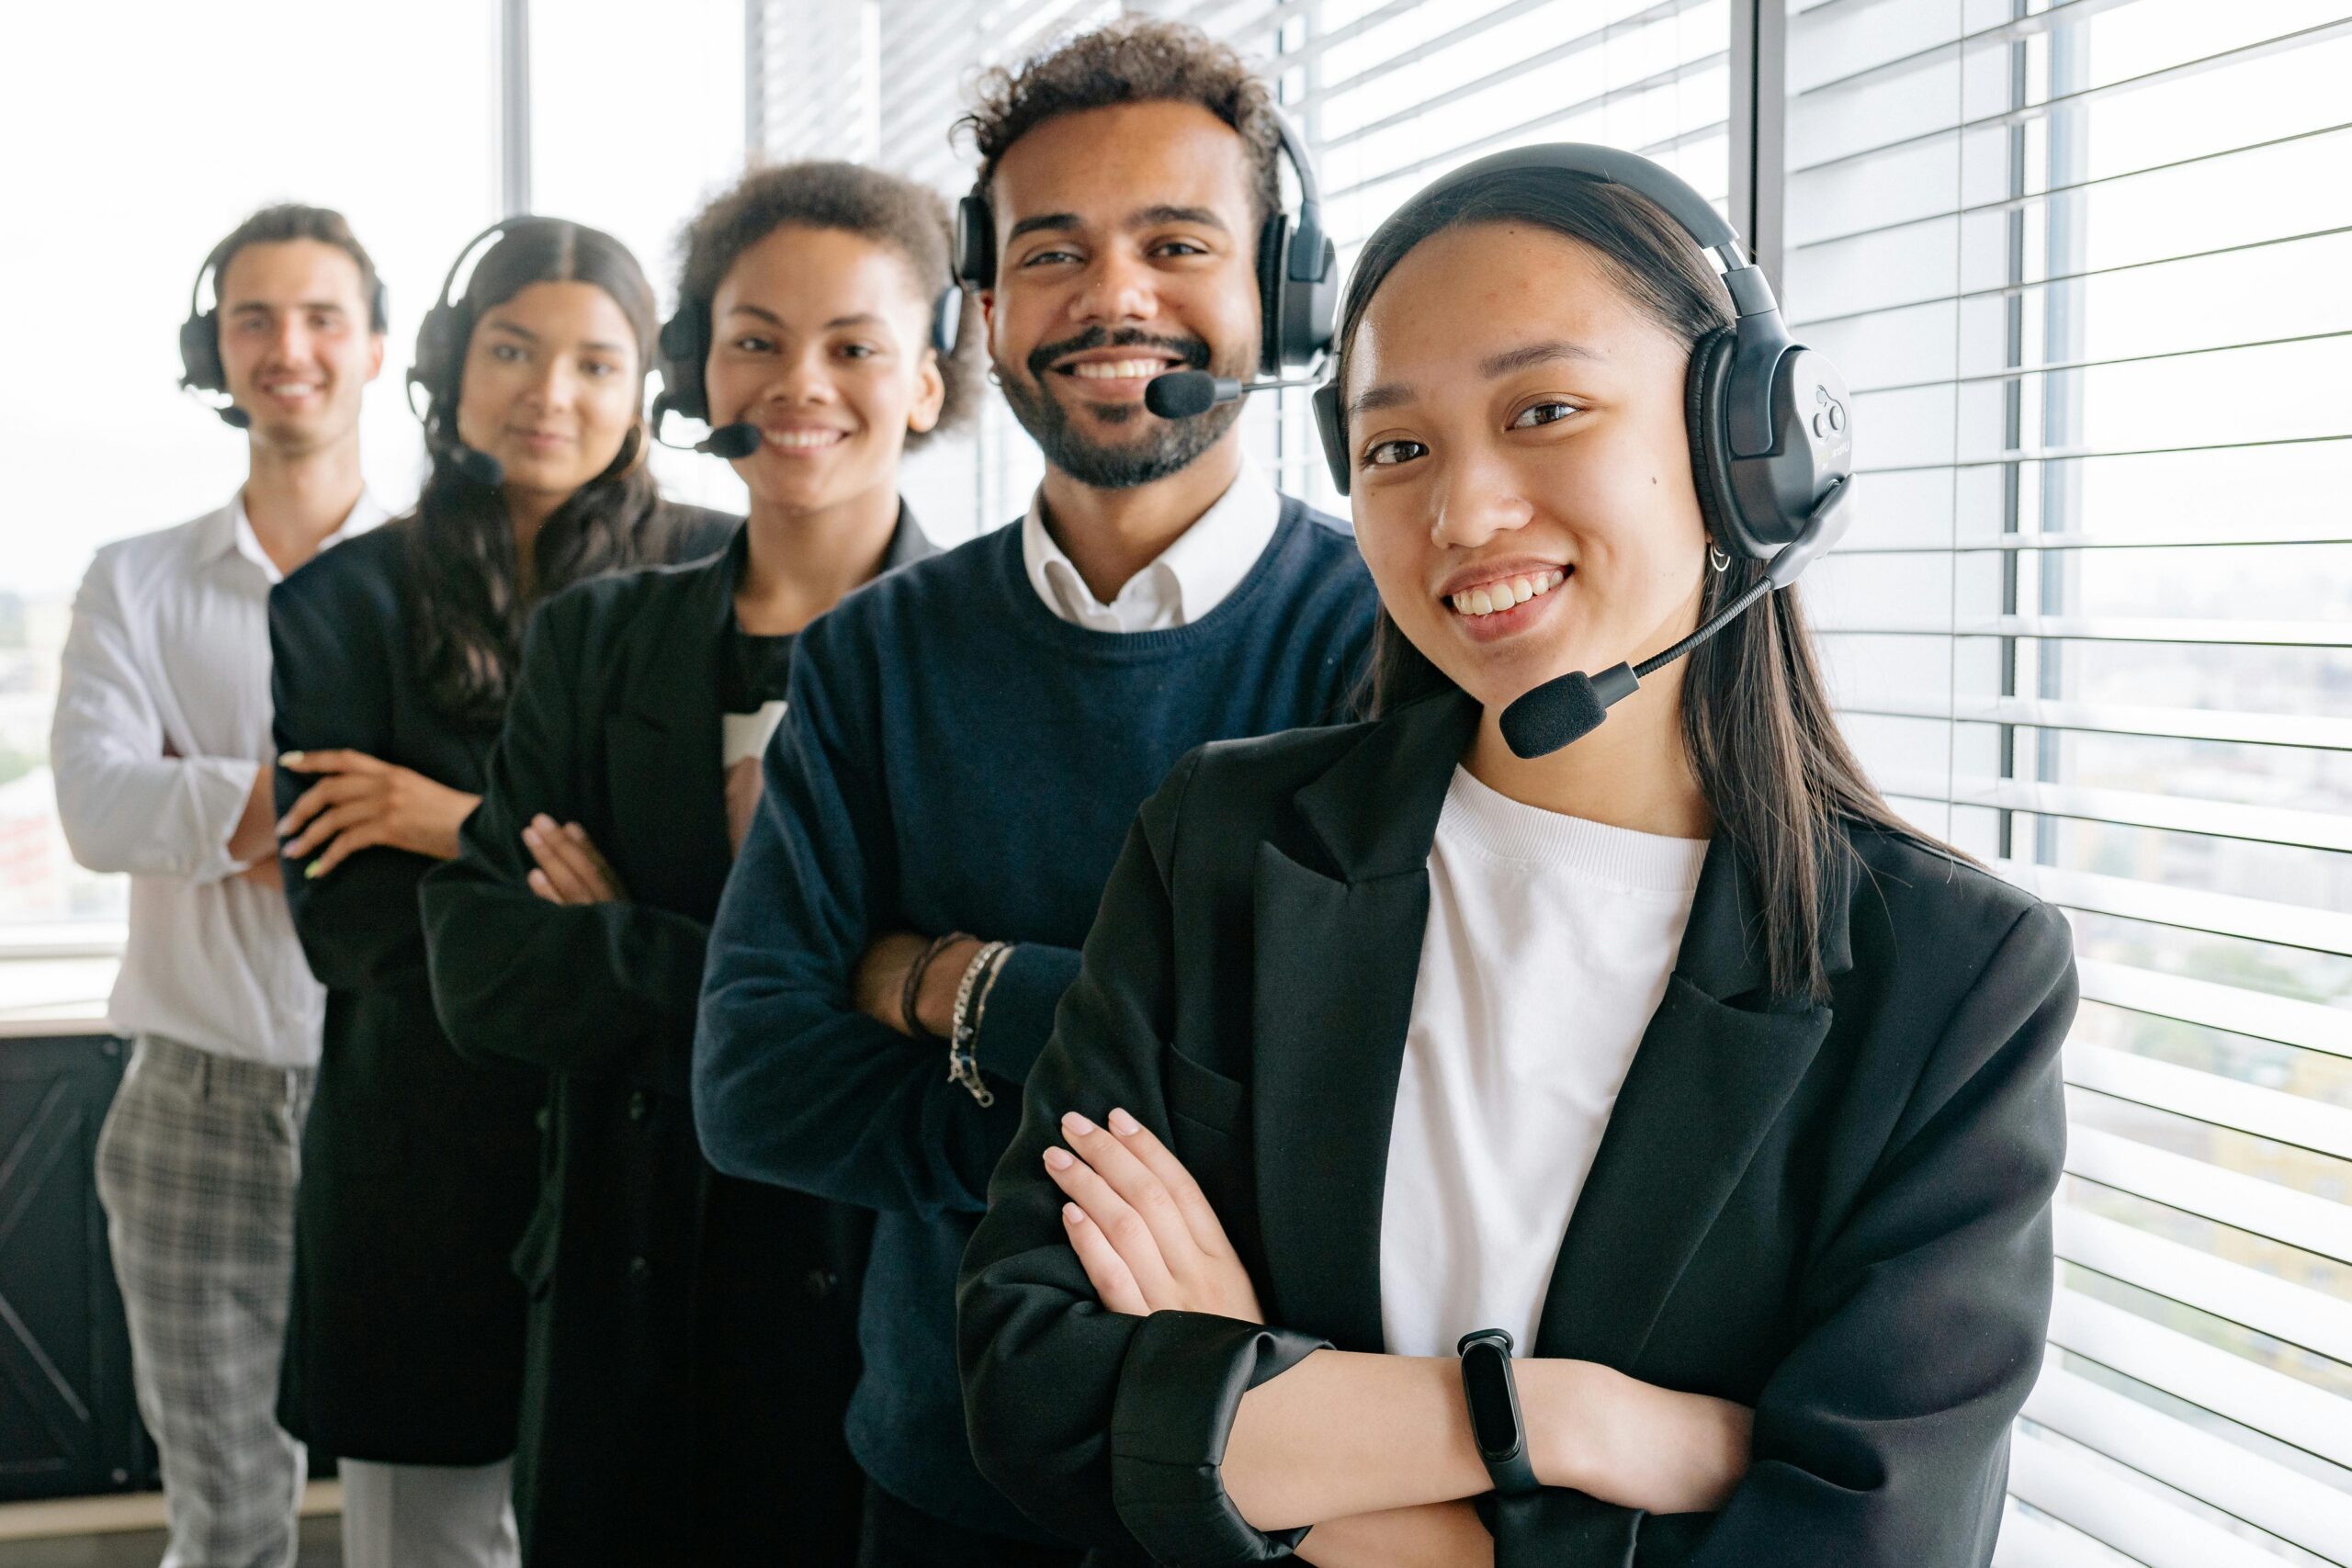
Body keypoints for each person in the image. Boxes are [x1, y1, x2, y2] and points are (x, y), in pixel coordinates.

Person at [958, 147, 2078, 1568]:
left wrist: (1282, 1444)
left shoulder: (1952, 980)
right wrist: (1567, 1422)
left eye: (1545, 410)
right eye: (1397, 448)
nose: (1463, 512)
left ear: (1748, 445)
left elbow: (1863, 1543)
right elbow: (1038, 1386)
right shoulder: (1230, 845)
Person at [693, 18, 1378, 1567]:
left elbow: (1343, 1111)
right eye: (1053, 252)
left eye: (1177, 243)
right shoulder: (870, 655)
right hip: (939, 1479)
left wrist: (947, 981)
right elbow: (753, 1084)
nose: (1113, 296)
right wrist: (1160, 1121)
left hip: (1270, 1483)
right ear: (988, 310)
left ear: (1277, 293)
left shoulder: (1388, 652)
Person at [418, 161, 975, 1566]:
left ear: (926, 381)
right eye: (755, 339)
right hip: (625, 1289)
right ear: (697, 370)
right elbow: (482, 963)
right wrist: (829, 983)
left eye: (854, 344)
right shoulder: (595, 641)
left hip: (882, 1312)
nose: (801, 381)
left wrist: (638, 940)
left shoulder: (988, 659)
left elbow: (991, 1022)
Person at [268, 216, 732, 1568]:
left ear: (647, 385)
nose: (551, 393)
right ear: (449, 371)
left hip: (654, 1151)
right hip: (414, 1150)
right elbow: (349, 925)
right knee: (421, 1540)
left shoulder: (726, 573)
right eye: (514, 352)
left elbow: (734, 918)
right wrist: (590, 907)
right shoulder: (340, 599)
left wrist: (454, 823)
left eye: (598, 362)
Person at [52, 202, 387, 1568]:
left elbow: (486, 824)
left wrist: (213, 792)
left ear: (374, 348)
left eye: (321, 316)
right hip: (193, 1099)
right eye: (254, 316)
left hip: (407, 1092)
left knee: (436, 1506)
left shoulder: (446, 575)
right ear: (215, 345)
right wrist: (346, 799)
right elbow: (94, 806)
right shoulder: (135, 581)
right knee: (227, 1519)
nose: (287, 347)